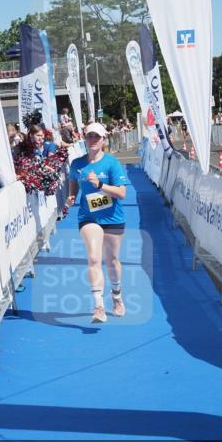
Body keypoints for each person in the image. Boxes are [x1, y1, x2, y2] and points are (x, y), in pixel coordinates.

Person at [67, 122, 130, 323]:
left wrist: (100, 185)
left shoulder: (112, 163)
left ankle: (117, 297)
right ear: (85, 139)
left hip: (112, 218)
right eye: (89, 136)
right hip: (89, 218)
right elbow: (74, 181)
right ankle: (98, 307)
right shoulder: (77, 164)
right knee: (94, 258)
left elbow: (122, 193)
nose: (92, 140)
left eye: (97, 136)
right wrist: (71, 196)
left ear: (103, 140)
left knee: (111, 261)